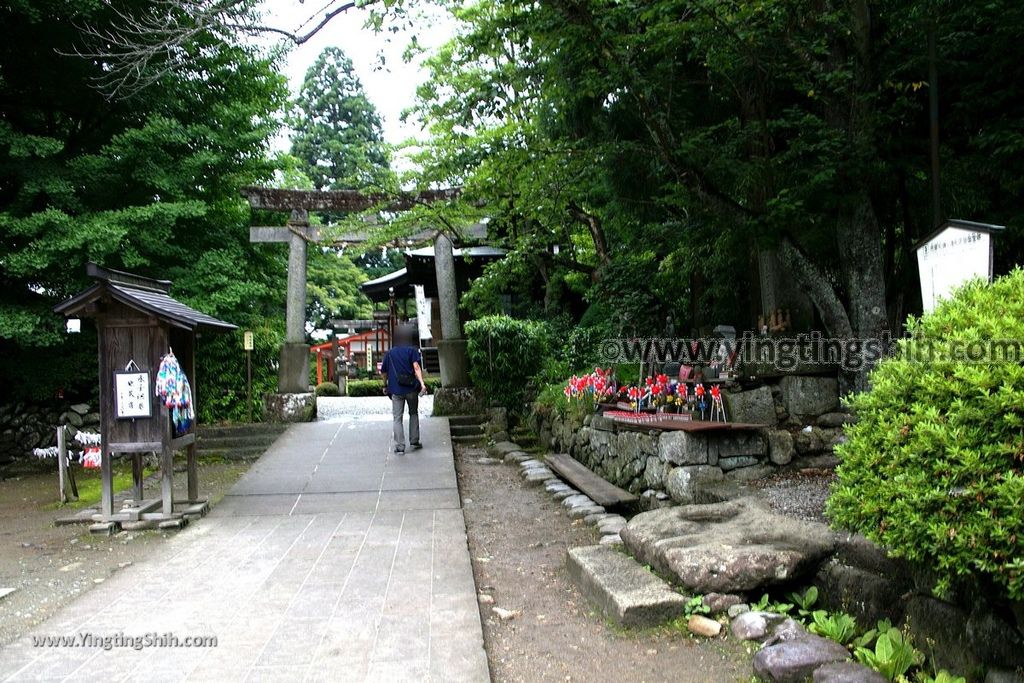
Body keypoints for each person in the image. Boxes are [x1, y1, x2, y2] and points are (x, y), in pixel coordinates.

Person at [380, 324, 426, 454]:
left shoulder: (389, 354)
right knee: (413, 413)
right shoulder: (412, 350)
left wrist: (385, 384)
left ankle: (400, 446)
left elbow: (383, 372)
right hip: (411, 389)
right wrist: (422, 383)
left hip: (396, 390)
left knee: (397, 418)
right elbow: (416, 367)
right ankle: (414, 441)